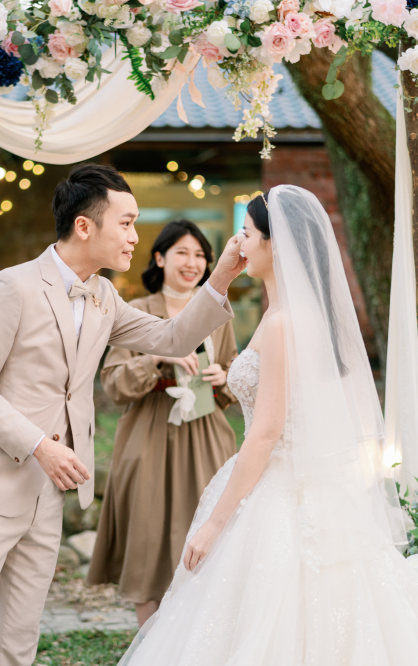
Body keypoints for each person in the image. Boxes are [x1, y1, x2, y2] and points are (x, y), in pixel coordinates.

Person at [116, 186, 418, 666]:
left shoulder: (286, 322)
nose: (236, 243)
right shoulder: (284, 315)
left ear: (276, 244)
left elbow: (266, 435)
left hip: (274, 491)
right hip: (287, 488)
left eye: (246, 232)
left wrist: (215, 524)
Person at [0, 163, 247, 666]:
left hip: (47, 497)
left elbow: (172, 339)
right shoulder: (12, 287)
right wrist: (40, 445)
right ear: (85, 226)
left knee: (19, 639)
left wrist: (221, 278)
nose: (135, 236)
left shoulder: (106, 295)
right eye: (126, 223)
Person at [88, 220, 239, 627]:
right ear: (160, 258)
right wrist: (159, 357)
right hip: (149, 435)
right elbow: (113, 382)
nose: (193, 263)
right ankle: (149, 645)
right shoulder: (137, 312)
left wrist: (224, 377)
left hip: (207, 435)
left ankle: (197, 642)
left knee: (207, 534)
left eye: (200, 255)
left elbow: (234, 375)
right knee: (150, 538)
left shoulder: (219, 315)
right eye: (182, 253)